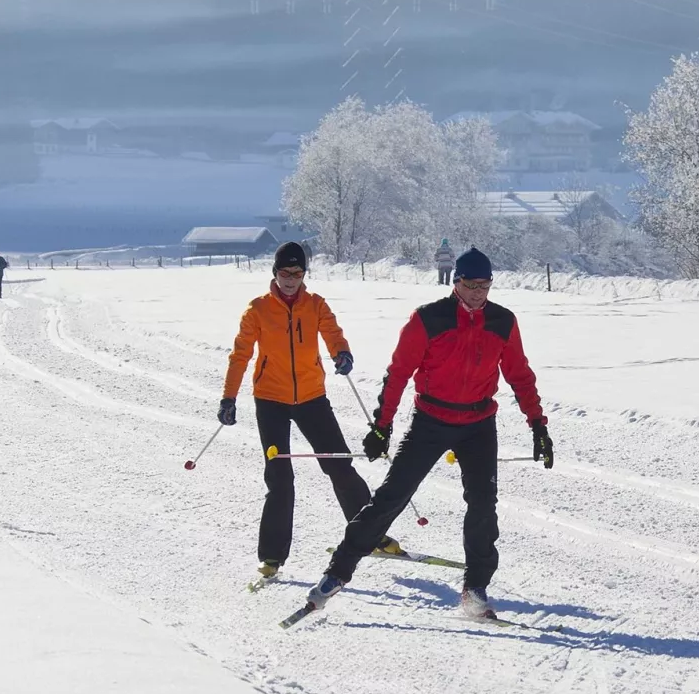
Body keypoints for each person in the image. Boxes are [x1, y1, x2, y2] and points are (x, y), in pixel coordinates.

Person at [305, 246, 553, 620]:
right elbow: (398, 374)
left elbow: (519, 374)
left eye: (484, 286)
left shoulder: (503, 321)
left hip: (478, 424)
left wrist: (538, 425)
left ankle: (475, 590)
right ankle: (336, 573)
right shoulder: (427, 319)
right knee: (391, 497)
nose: (477, 293)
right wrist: (381, 426)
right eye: (470, 285)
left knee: (484, 504)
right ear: (456, 283)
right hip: (431, 420)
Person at [220, 241, 400, 582]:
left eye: (297, 273)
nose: (291, 279)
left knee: (339, 465)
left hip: (311, 397)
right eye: (285, 273)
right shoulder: (257, 310)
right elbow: (240, 355)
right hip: (271, 400)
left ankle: (370, 535)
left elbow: (332, 333)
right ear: (274, 273)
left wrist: (341, 353)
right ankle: (272, 556)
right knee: (280, 478)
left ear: (304, 274)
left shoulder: (315, 305)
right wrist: (228, 398)